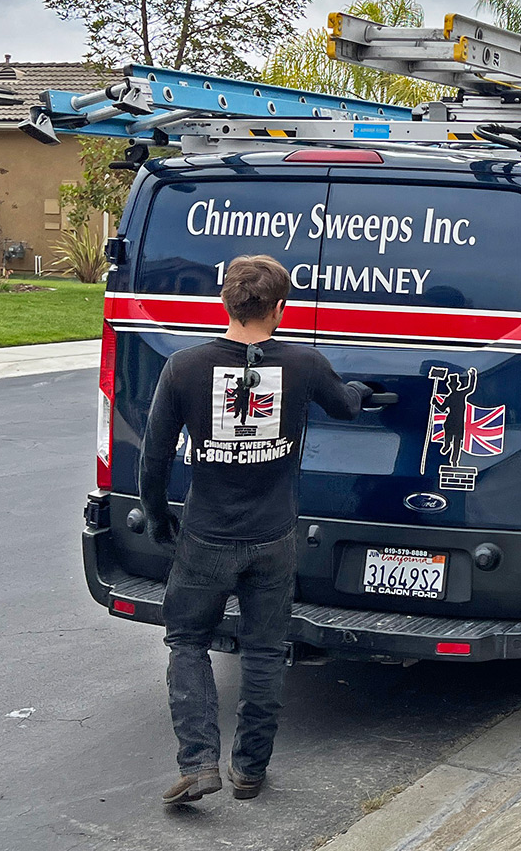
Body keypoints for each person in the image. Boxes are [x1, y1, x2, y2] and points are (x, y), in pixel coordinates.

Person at [139, 254, 371, 806]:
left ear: (225, 301)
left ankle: (198, 763)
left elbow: (154, 457)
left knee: (188, 640)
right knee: (265, 651)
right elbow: (347, 406)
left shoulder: (185, 367)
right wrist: (361, 389)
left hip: (204, 537)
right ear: (280, 307)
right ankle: (249, 771)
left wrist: (155, 515)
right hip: (273, 539)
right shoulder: (306, 364)